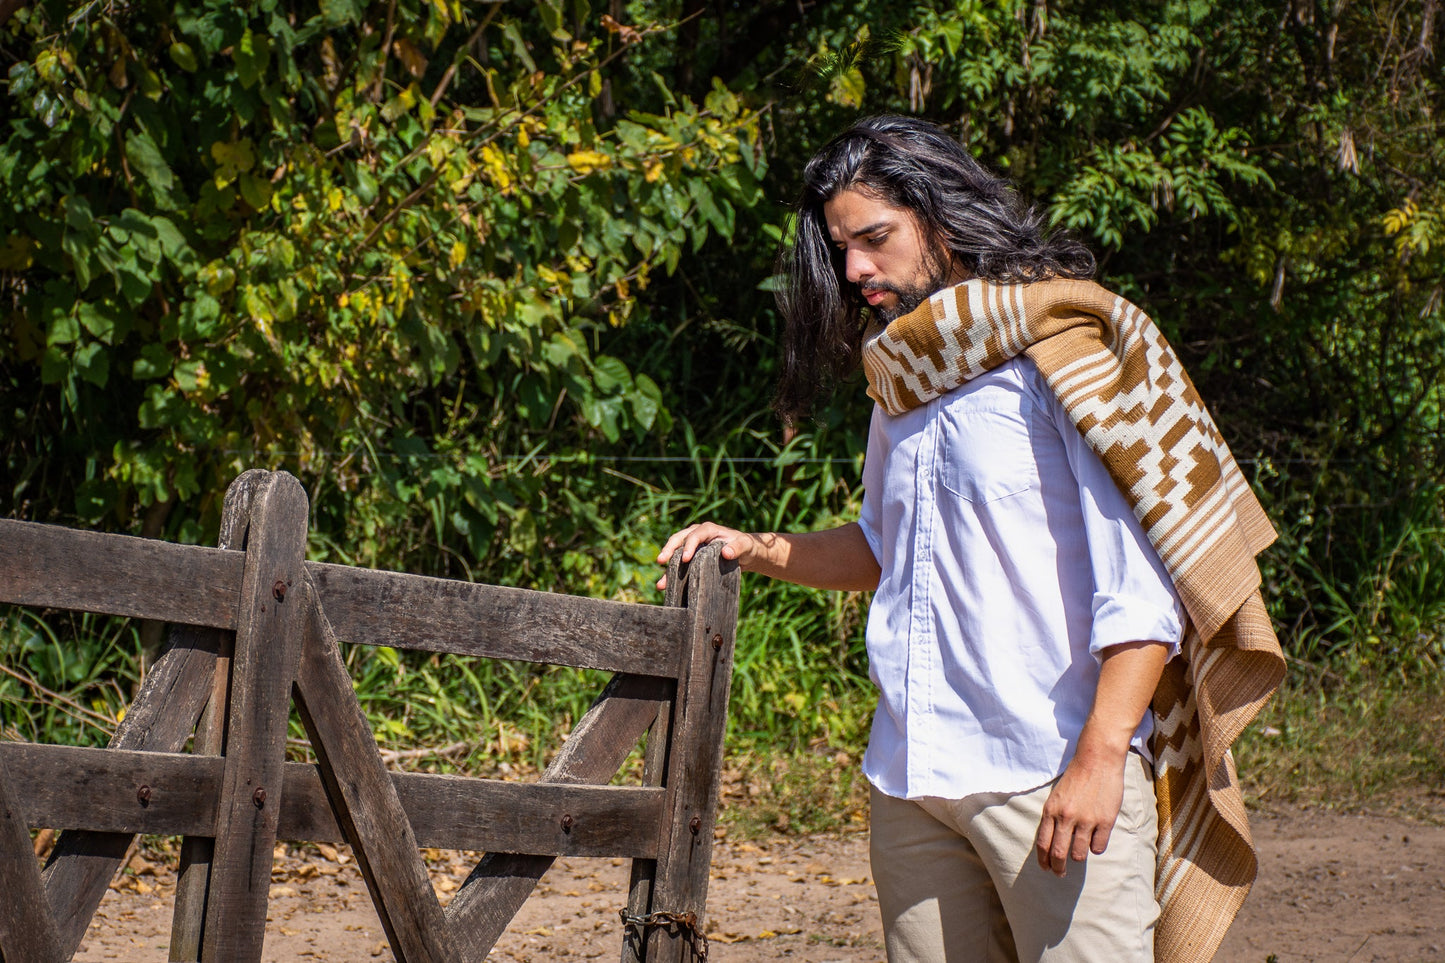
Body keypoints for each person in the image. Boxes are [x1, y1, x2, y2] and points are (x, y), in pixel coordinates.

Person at [657, 115, 1283, 963]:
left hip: (1050, 772)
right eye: (842, 249)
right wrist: (758, 547)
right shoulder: (902, 378)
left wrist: (1098, 758)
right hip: (910, 782)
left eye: (874, 238)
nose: (855, 270)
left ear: (940, 212)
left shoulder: (1064, 354)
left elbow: (1141, 586)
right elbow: (883, 549)